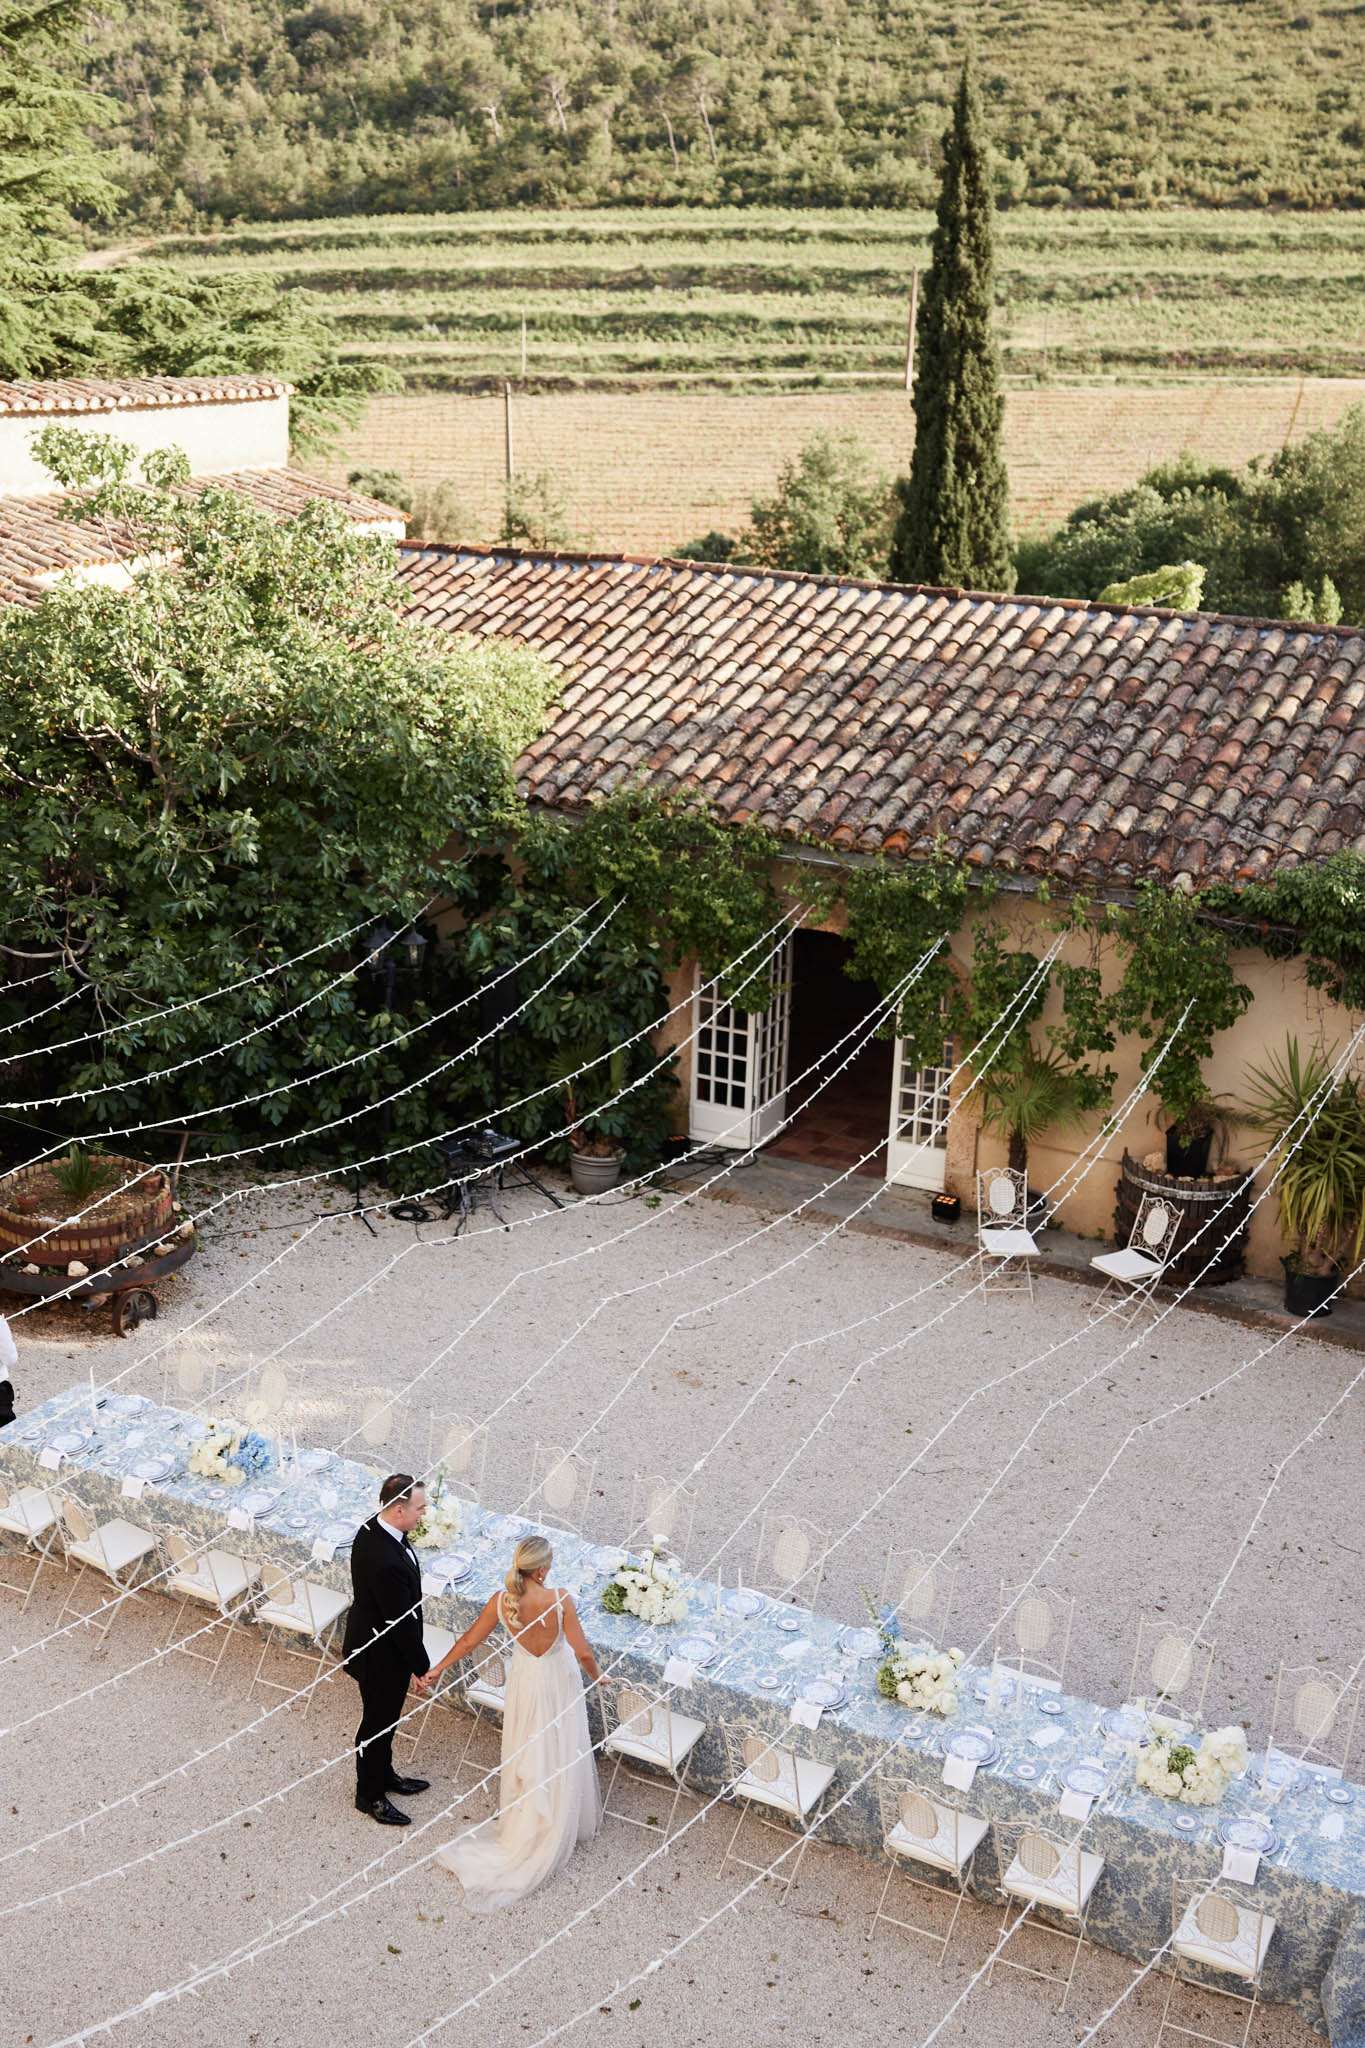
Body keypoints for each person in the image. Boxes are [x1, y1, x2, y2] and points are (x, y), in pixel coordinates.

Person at [421, 1535, 601, 1911]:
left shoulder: (502, 1602)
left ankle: (529, 1813)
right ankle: (557, 1814)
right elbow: (582, 1650)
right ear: (541, 1569)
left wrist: (438, 1668)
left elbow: (470, 1641)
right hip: (556, 1681)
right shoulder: (560, 1600)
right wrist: (599, 1676)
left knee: (528, 1742)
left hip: (525, 1681)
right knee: (559, 1742)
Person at [342, 1472, 433, 1826]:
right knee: (377, 1724)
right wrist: (421, 1666)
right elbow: (400, 1623)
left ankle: (385, 1774)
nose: (423, 1514)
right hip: (379, 1653)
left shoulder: (377, 1529)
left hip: (379, 1639)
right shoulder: (384, 1560)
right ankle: (369, 1795)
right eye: (419, 1508)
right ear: (398, 1509)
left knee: (386, 1720)